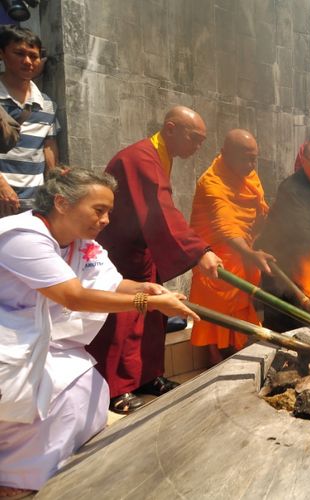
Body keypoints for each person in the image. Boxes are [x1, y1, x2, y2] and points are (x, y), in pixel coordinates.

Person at [0, 168, 197, 496]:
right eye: (98, 210)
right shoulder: (23, 235)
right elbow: (73, 296)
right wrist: (145, 304)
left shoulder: (83, 244)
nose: (105, 220)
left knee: (89, 398)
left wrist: (148, 289)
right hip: (11, 344)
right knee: (55, 401)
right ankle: (15, 481)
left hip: (50, 344)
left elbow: (113, 282)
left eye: (109, 211)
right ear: (62, 203)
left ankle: (52, 474)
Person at [87, 106, 222, 415]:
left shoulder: (161, 156)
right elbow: (161, 211)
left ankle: (148, 377)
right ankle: (115, 389)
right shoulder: (139, 157)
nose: (198, 146)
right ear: (171, 128)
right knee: (121, 319)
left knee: (153, 317)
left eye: (202, 141)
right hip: (119, 251)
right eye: (195, 138)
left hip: (142, 250)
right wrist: (199, 251)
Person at [189, 129, 274, 365]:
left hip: (243, 249)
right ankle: (217, 361)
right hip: (216, 256)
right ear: (225, 153)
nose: (251, 164)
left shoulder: (250, 175)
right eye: (245, 158)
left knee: (243, 304)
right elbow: (225, 228)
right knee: (218, 312)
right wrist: (251, 254)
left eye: (254, 158)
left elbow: (258, 211)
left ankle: (240, 353)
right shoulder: (211, 182)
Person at [255, 141, 310, 332]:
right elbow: (299, 228)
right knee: (283, 314)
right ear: (304, 161)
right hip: (283, 258)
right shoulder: (290, 188)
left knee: (309, 315)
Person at [0, 26, 58, 217]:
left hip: (32, 204)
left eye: (33, 56)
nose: (27, 61)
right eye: (19, 53)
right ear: (2, 54)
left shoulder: (47, 104)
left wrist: (55, 183)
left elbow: (48, 148)